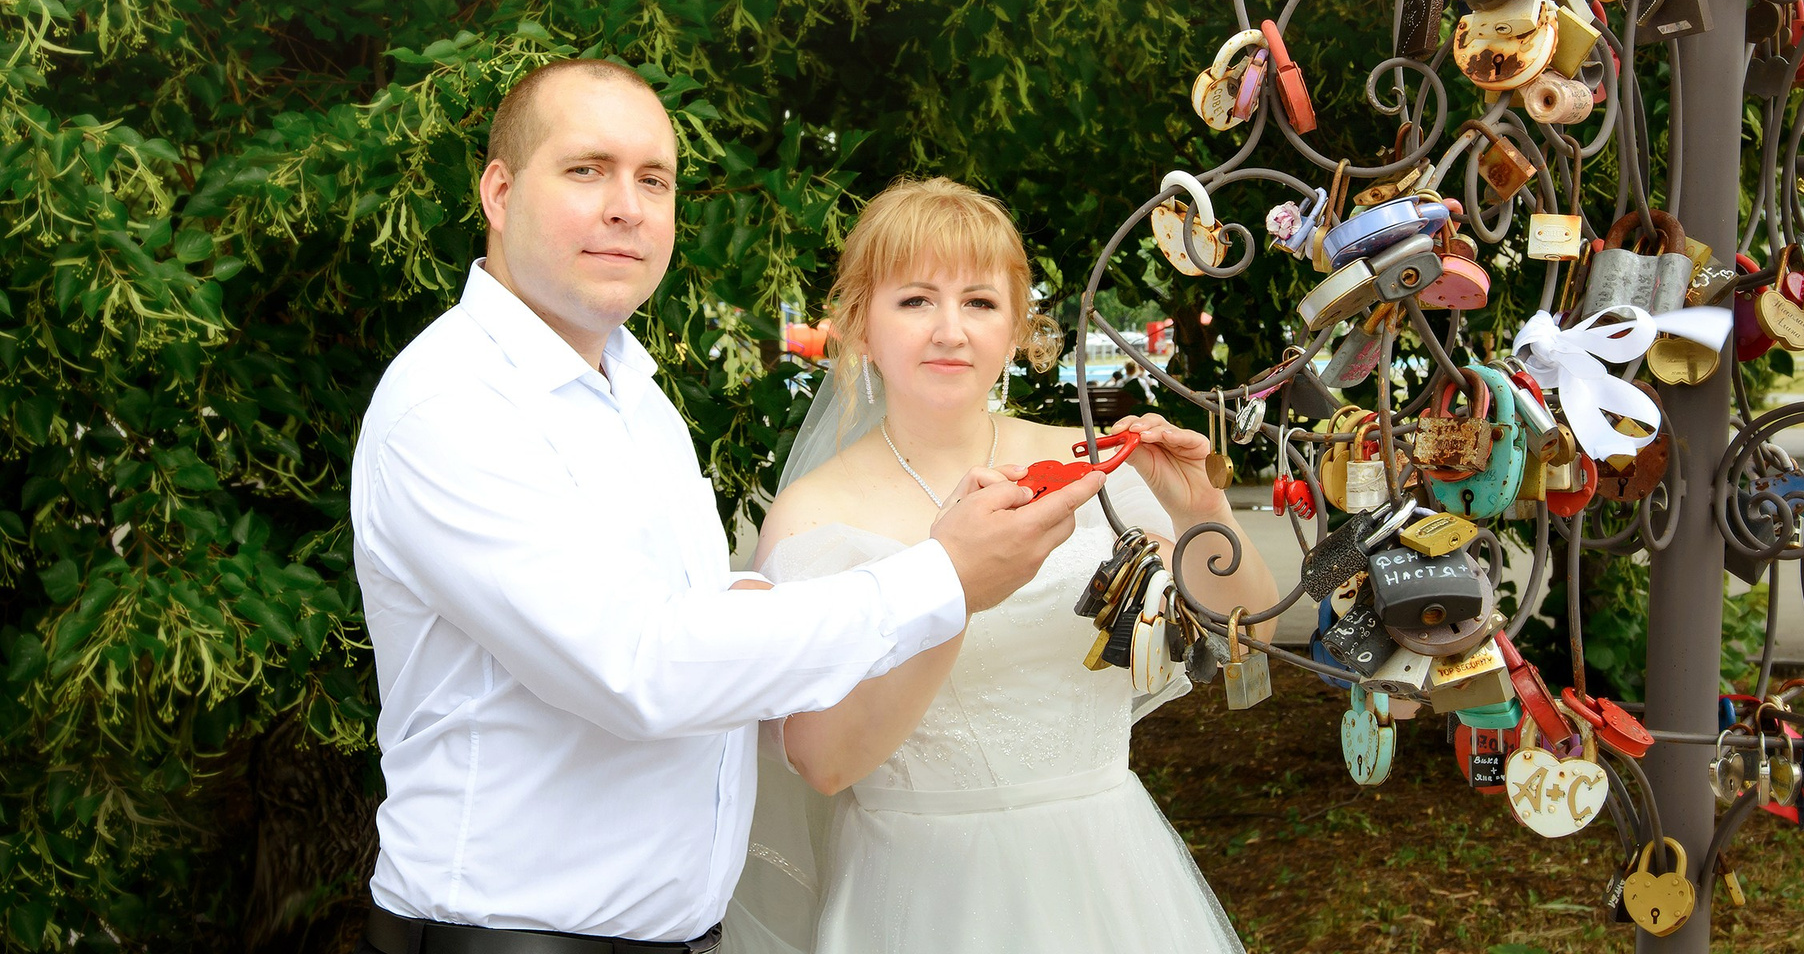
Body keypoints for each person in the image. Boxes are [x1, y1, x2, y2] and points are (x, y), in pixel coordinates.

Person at [348, 62, 1105, 954]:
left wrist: (746, 602)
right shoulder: (456, 407)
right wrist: (941, 578)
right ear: (501, 193)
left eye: (654, 180)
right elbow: (640, 668)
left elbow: (682, 621)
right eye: (587, 170)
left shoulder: (638, 401)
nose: (627, 207)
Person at [726, 177, 1278, 954]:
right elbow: (822, 762)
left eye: (980, 302)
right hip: (918, 894)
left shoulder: (1090, 467)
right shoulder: (812, 516)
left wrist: (1200, 512)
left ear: (1017, 328)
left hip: (1106, 874)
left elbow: (1248, 633)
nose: (949, 330)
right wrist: (956, 585)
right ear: (858, 325)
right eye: (915, 300)